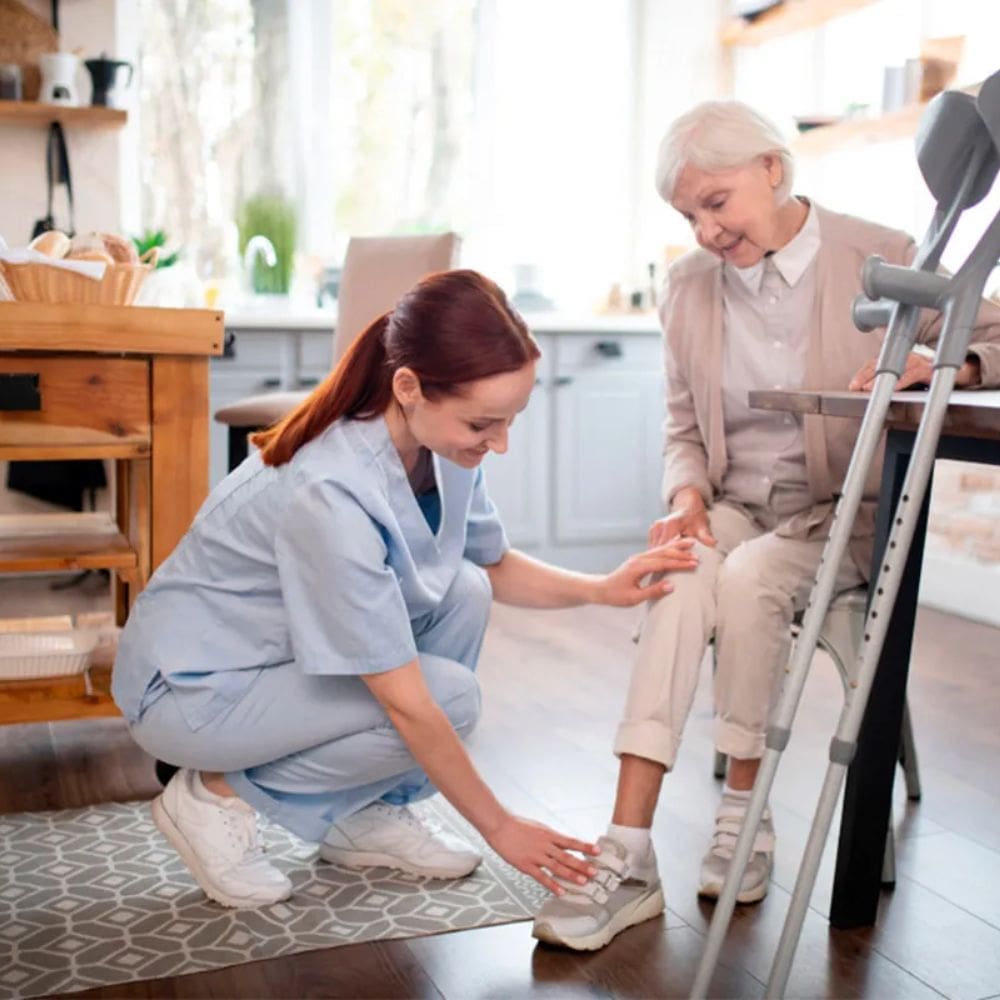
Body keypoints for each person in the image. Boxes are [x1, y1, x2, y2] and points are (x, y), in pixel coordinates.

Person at [532, 99, 1000, 951]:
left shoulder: (886, 255)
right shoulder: (687, 288)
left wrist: (953, 360)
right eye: (687, 215)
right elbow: (683, 428)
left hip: (846, 515)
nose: (706, 230)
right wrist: (685, 503)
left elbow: (997, 331)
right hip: (738, 510)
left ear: (773, 170)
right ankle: (628, 851)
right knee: (680, 574)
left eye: (716, 203)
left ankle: (742, 819)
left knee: (746, 583)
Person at [111, 268, 698, 910]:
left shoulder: (438, 446)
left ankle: (363, 812)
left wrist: (601, 589)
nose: (499, 444)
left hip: (274, 663)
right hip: (195, 689)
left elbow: (491, 563)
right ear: (409, 387)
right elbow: (410, 706)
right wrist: (501, 826)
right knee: (449, 699)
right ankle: (211, 797)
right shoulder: (331, 488)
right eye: (483, 424)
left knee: (465, 590)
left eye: (509, 422)